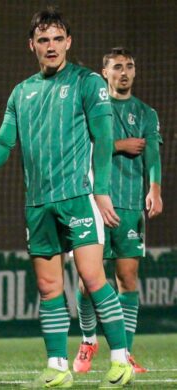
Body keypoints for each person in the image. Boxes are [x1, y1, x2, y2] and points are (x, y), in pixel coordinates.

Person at [0, 8, 134, 388]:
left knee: (92, 278)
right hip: (38, 203)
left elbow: (104, 138)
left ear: (69, 42)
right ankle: (58, 367)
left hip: (78, 197)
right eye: (43, 40)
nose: (51, 46)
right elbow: (5, 140)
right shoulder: (21, 92)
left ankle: (121, 360)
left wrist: (102, 190)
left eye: (58, 39)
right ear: (32, 46)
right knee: (49, 288)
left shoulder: (88, 82)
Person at [73, 47, 163, 375]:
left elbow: (152, 154)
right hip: (93, 203)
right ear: (105, 73)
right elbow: (81, 148)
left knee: (127, 278)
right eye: (117, 67)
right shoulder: (93, 108)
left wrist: (154, 189)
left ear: (135, 72)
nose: (124, 72)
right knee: (87, 280)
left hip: (128, 207)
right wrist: (118, 146)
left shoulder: (146, 113)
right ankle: (87, 340)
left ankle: (124, 353)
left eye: (129, 66)